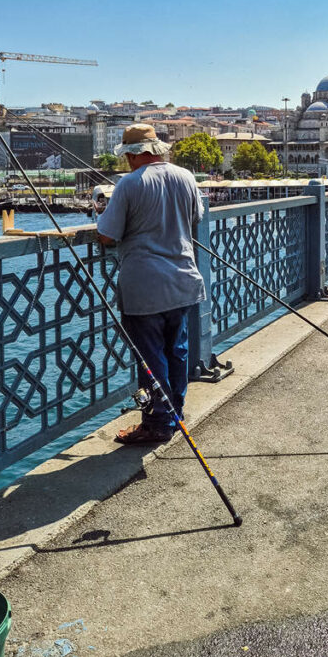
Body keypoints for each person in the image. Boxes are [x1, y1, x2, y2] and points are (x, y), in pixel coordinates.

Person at [97, 124, 206, 445]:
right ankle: (174, 413)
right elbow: (196, 217)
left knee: (150, 357)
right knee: (177, 351)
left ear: (131, 155)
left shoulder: (129, 184)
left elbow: (107, 235)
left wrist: (103, 217)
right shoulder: (186, 176)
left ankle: (157, 422)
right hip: (184, 280)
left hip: (144, 287)